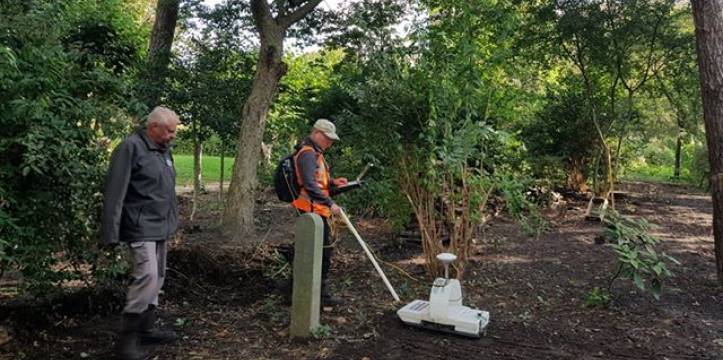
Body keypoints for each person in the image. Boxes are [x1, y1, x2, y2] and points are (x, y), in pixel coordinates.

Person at [101, 106, 180, 360]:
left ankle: (146, 329)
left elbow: (166, 191)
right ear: (153, 127)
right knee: (146, 277)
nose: (172, 136)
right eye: (169, 131)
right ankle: (126, 341)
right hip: (140, 226)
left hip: (161, 227)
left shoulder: (163, 152)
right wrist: (110, 233)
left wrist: (173, 223)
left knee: (157, 279)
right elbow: (115, 192)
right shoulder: (130, 148)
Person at [291, 119, 347, 306]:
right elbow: (308, 184)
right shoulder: (307, 154)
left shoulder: (316, 153)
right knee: (320, 253)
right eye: (327, 138)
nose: (330, 143)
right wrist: (331, 203)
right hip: (310, 211)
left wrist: (333, 183)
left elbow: (318, 182)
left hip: (318, 210)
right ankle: (316, 296)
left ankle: (304, 291)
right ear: (316, 134)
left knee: (321, 253)